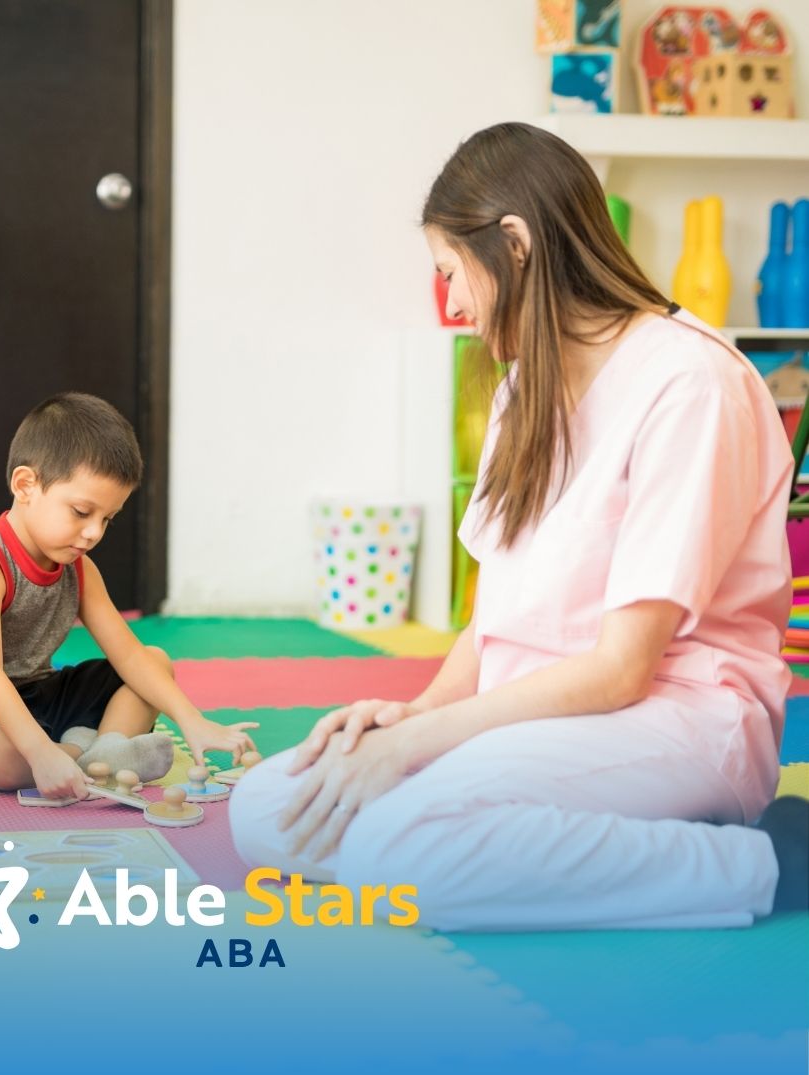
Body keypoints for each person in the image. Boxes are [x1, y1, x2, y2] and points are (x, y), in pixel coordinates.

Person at [229, 122, 809, 930]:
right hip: (534, 714)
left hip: (676, 716)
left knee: (399, 849)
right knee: (268, 808)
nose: (453, 303)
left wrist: (417, 750)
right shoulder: (521, 391)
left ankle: (762, 860)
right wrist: (416, 715)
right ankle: (577, 838)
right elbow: (494, 618)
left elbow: (622, 670)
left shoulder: (690, 381)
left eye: (450, 272)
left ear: (515, 242)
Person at [0, 391, 256, 800]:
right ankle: (79, 751)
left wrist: (191, 719)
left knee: (155, 664)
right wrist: (38, 752)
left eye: (107, 518)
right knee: (11, 762)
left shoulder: (79, 567)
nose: (94, 532)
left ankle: (101, 750)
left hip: (38, 697)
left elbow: (127, 654)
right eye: (80, 512)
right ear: (26, 485)